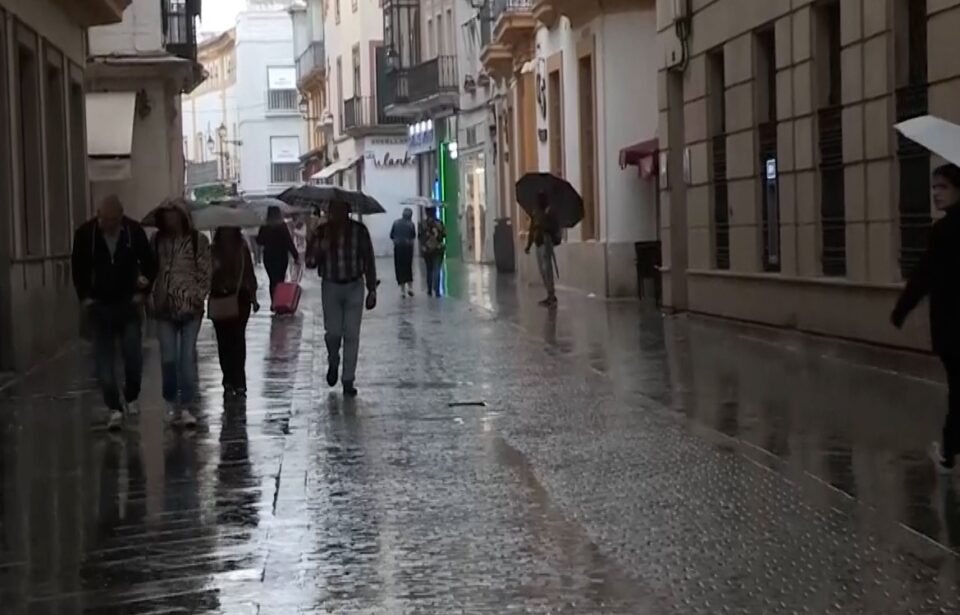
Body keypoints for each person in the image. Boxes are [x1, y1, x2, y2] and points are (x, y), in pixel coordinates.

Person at [892, 163, 960, 473]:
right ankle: (948, 450)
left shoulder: (943, 232)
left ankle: (947, 452)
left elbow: (924, 276)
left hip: (951, 327)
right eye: (934, 187)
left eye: (942, 187)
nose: (935, 193)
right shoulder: (942, 230)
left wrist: (901, 309)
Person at [72, 195, 157, 430]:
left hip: (128, 304)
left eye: (112, 220)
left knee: (132, 355)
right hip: (99, 306)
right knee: (103, 363)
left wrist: (144, 289)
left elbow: (150, 263)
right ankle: (113, 406)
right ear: (98, 216)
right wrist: (85, 298)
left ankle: (131, 395)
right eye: (103, 219)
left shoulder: (133, 232)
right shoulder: (86, 235)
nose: (107, 224)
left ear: (120, 217)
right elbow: (77, 267)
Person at [152, 198, 211, 427]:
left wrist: (197, 294)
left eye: (173, 214)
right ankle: (170, 401)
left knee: (186, 358)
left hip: (190, 308)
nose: (170, 219)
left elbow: (205, 271)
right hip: (164, 307)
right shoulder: (156, 241)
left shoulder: (198, 241)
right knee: (168, 359)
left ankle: (186, 405)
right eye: (166, 215)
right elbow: (150, 268)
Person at [308, 201, 378, 397]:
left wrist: (372, 289)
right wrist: (320, 248)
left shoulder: (359, 231)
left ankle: (348, 379)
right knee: (333, 332)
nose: (335, 215)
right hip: (331, 286)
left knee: (352, 334)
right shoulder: (321, 232)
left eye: (339, 211)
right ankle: (333, 359)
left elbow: (368, 260)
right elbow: (310, 262)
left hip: (355, 285)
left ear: (347, 212)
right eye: (332, 211)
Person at [210, 227, 259, 398]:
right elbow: (206, 275)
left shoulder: (241, 248)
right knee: (224, 342)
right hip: (219, 299)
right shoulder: (213, 251)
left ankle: (238, 381)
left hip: (240, 298)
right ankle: (228, 379)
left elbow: (249, 272)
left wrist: (253, 297)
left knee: (237, 340)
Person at [257, 205, 299, 305]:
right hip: (281, 257)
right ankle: (279, 301)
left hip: (269, 257)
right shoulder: (282, 226)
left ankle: (273, 302)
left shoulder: (265, 226)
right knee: (280, 280)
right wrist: (296, 256)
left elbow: (259, 241)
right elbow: (289, 242)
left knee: (272, 280)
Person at [524, 192, 560, 307]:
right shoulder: (535, 213)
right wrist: (529, 245)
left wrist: (544, 221)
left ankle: (551, 295)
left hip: (546, 242)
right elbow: (531, 229)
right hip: (538, 242)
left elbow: (553, 227)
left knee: (547, 269)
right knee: (542, 270)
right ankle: (549, 294)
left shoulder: (549, 212)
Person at [390, 207, 417, 297]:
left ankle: (402, 290)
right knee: (408, 267)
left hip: (398, 247)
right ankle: (410, 288)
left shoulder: (396, 223)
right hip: (408, 248)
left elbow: (391, 235)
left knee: (399, 268)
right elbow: (413, 236)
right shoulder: (411, 224)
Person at [420, 208, 446, 297]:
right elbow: (444, 234)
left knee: (429, 270)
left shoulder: (423, 224)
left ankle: (429, 289)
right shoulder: (439, 223)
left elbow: (420, 236)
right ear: (435, 212)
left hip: (427, 250)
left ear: (426, 213)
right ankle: (437, 290)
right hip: (438, 249)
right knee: (437, 269)